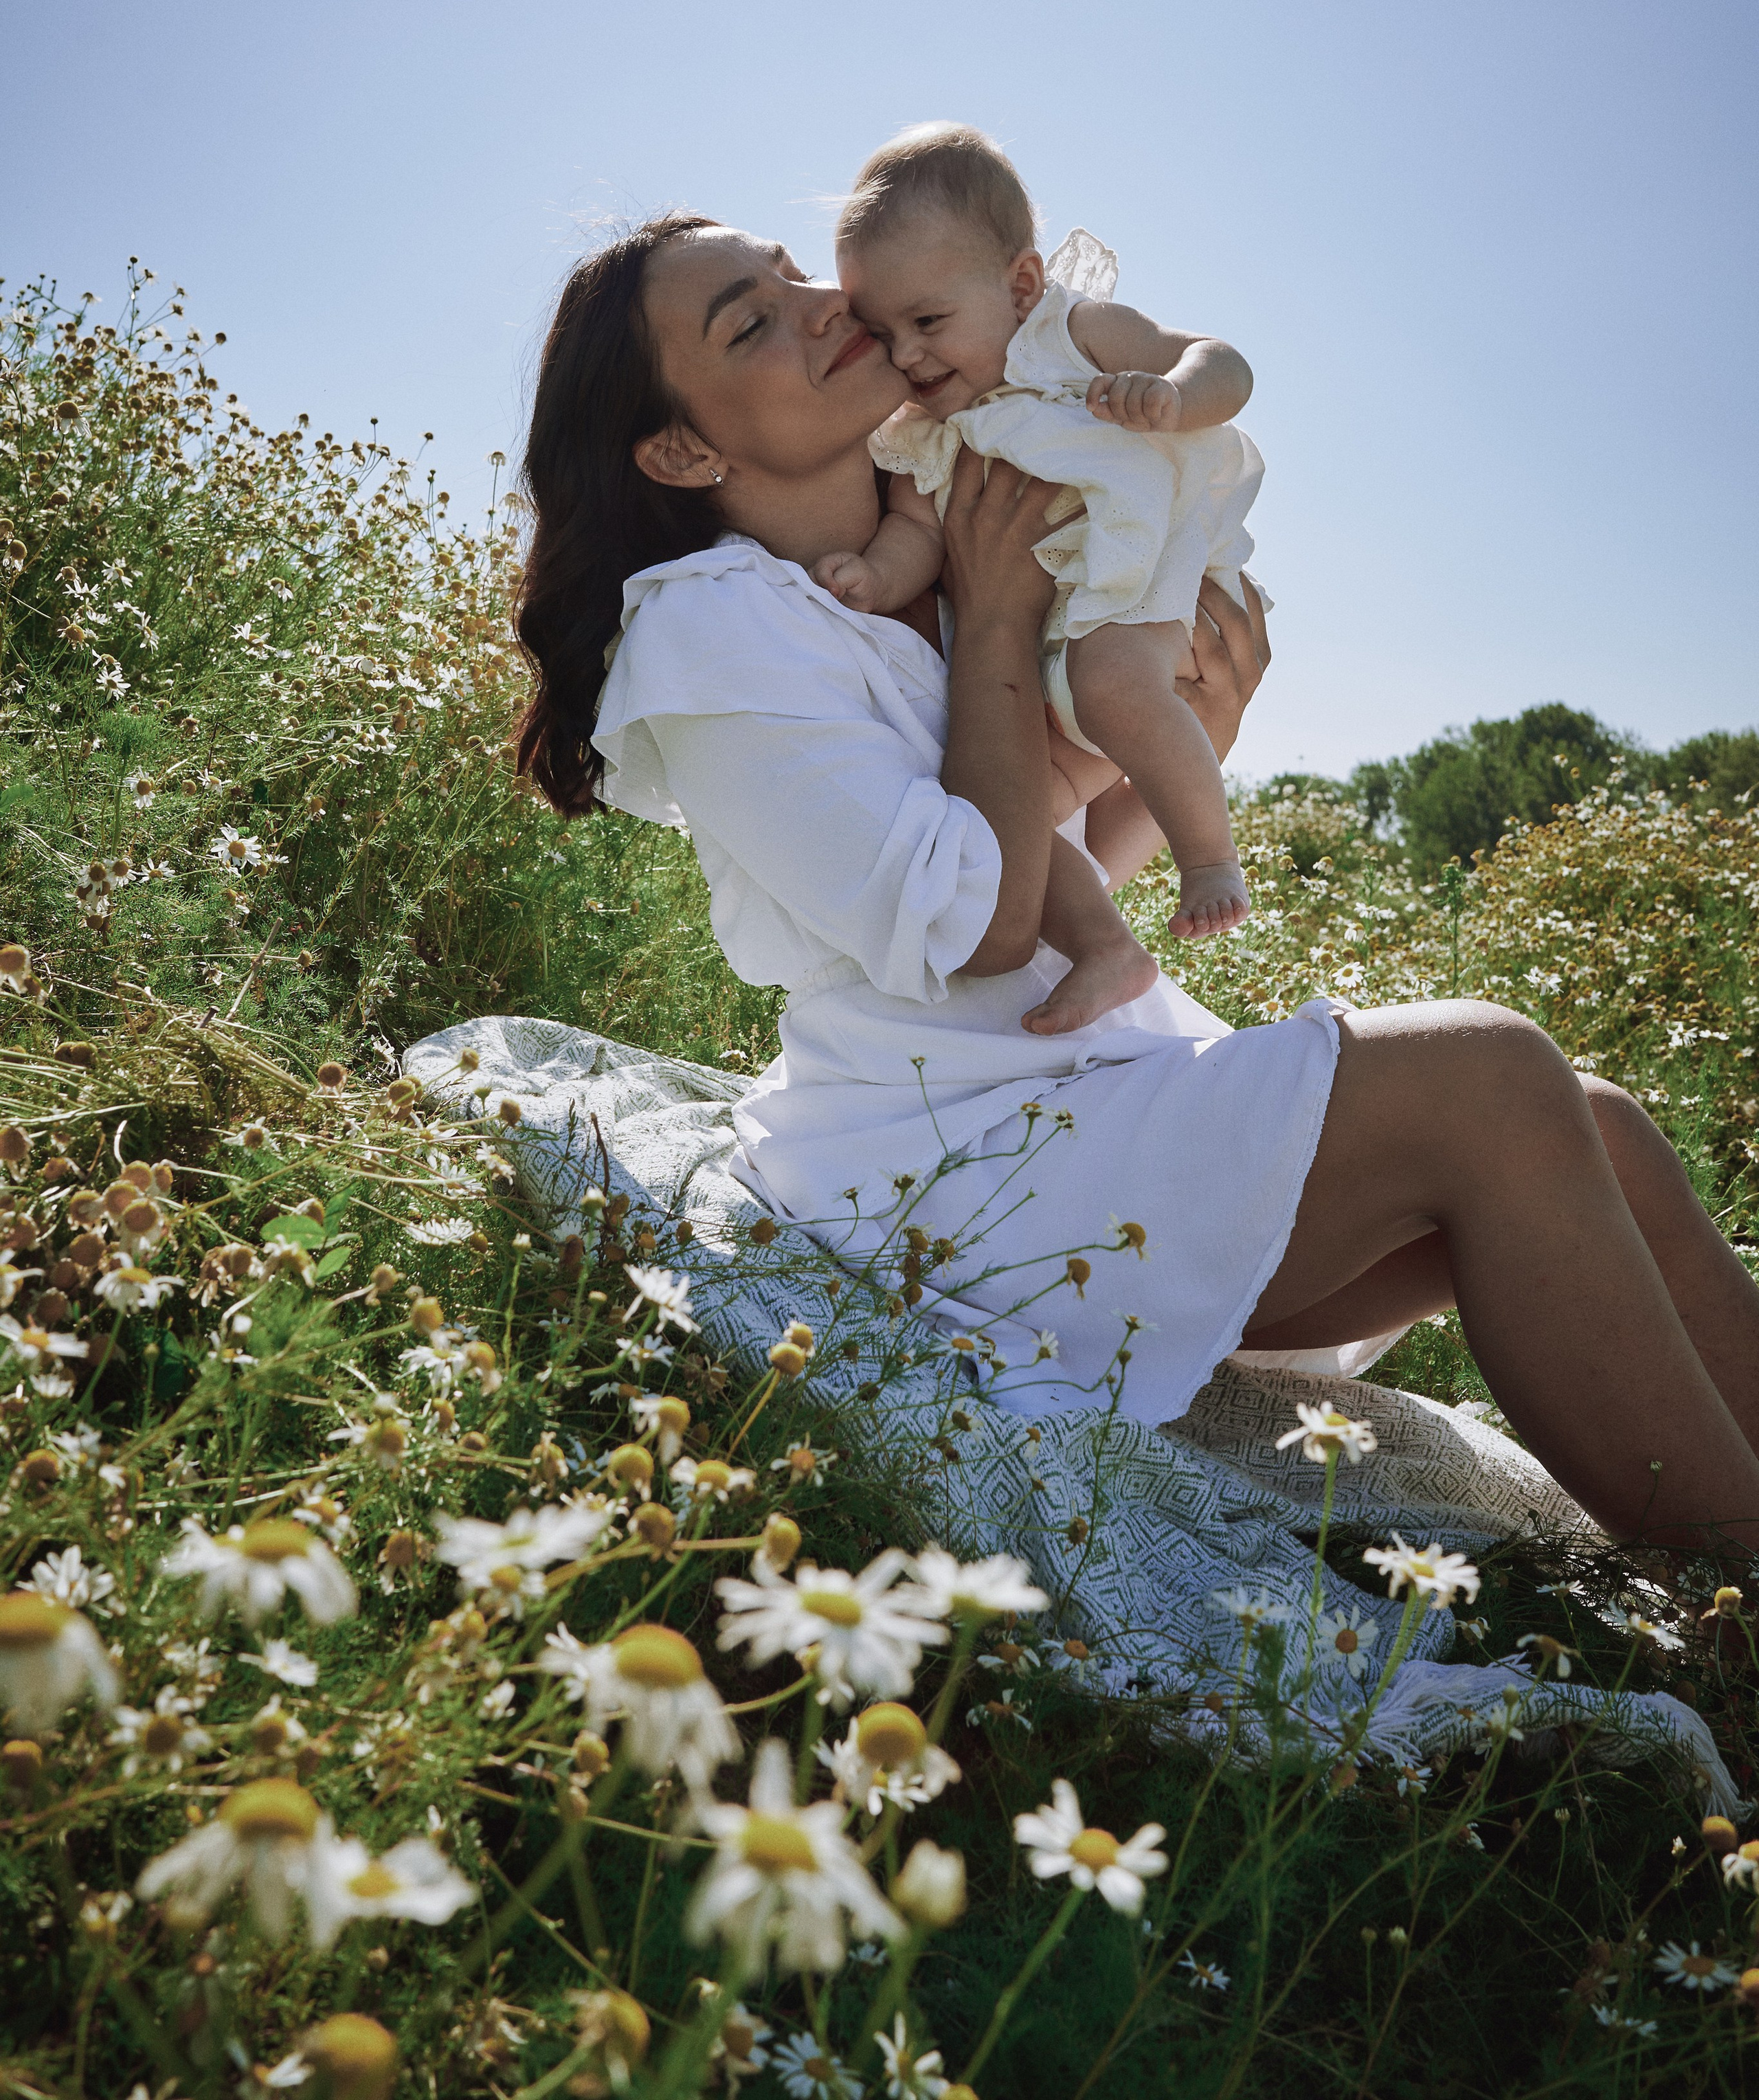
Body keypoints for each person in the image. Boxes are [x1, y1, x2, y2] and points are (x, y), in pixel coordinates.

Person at [513, 211, 1759, 1559]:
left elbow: (1055, 890)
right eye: (747, 321)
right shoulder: (714, 628)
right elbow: (980, 926)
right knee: (1490, 1075)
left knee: (1604, 1131)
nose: (821, 303)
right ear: (684, 447)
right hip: (952, 1169)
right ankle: (1737, 1612)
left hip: (1083, 1093)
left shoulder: (931, 527)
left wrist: (1181, 761)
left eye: (791, 274)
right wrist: (992, 618)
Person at [822, 123, 1259, 968]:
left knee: (1113, 688)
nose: (907, 355)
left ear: (1022, 283)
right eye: (884, 333)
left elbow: (1225, 365)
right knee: (1026, 802)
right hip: (1055, 630)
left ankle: (1210, 859)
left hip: (1143, 564)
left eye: (928, 320)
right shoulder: (924, 429)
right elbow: (917, 531)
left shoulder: (1070, 336)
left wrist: (1172, 394)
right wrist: (873, 576)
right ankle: (1103, 953)